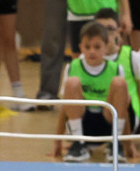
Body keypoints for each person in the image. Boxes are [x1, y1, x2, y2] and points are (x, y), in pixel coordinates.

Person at [53, 21, 130, 162]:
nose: (92, 51)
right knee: (72, 83)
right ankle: (78, 144)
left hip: (107, 123)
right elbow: (65, 107)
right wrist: (57, 140)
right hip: (83, 122)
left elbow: (123, 107)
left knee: (120, 83)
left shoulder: (116, 69)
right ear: (80, 47)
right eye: (87, 47)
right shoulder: (72, 67)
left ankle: (115, 143)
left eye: (97, 47)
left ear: (106, 47)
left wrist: (129, 145)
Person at [95, 7, 140, 157]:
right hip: (98, 115)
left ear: (118, 31)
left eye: (110, 29)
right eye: (100, 29)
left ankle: (120, 143)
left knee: (120, 88)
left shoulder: (132, 57)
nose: (105, 34)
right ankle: (79, 141)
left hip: (127, 118)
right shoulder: (86, 59)